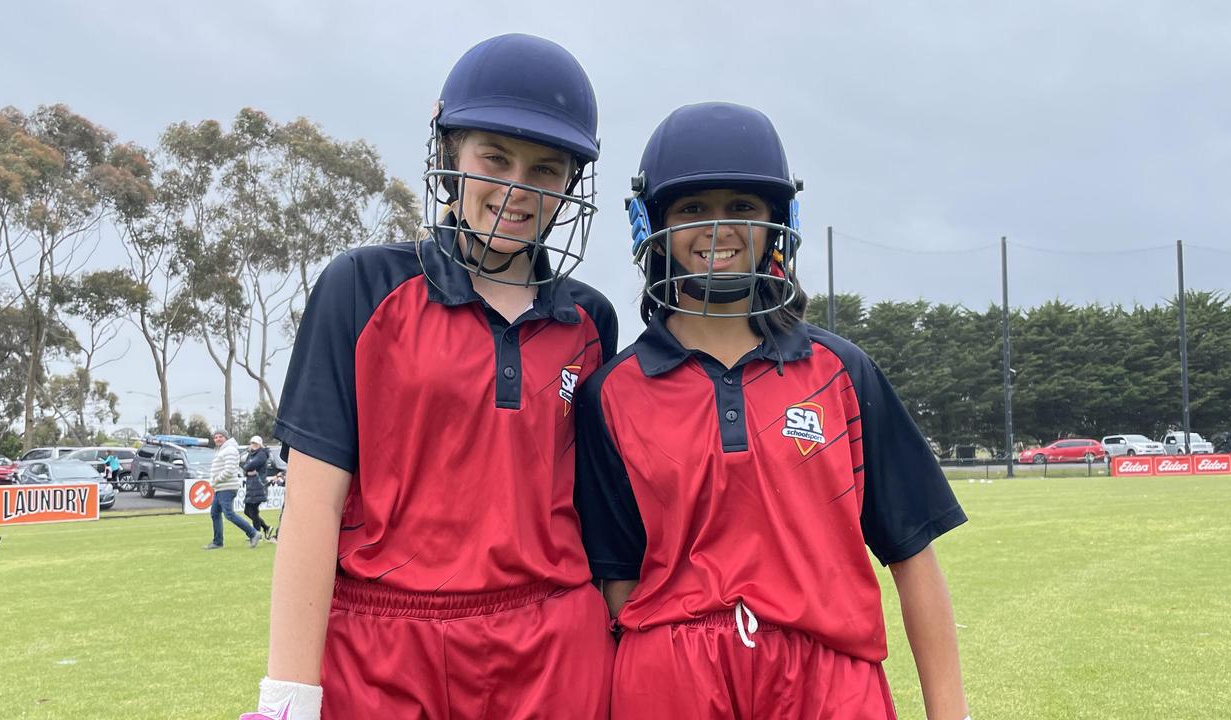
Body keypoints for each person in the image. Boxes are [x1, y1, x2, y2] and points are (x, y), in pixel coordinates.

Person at [246, 34, 617, 720]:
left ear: (571, 182)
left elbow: (601, 516)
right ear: (450, 155)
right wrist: (288, 698)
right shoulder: (360, 287)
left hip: (553, 647)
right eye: (495, 159)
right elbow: (312, 508)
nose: (516, 188)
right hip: (384, 650)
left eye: (545, 169)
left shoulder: (590, 321)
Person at [575, 102, 970, 720]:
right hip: (673, 680)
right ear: (651, 225)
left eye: (742, 209)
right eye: (692, 210)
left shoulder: (841, 372)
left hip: (829, 680)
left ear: (778, 221)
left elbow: (912, 556)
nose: (717, 230)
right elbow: (619, 586)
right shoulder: (611, 392)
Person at [205, 429, 261, 551]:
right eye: (216, 437)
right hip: (221, 487)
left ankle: (253, 533)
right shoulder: (223, 450)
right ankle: (217, 542)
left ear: (226, 438)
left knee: (229, 514)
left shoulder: (229, 450)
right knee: (215, 513)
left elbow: (229, 470)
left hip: (226, 487)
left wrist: (216, 480)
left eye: (220, 436)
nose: (218, 439)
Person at [241, 435, 273, 541]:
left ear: (260, 444)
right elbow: (245, 467)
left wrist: (247, 468)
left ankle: (256, 534)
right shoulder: (251, 454)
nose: (253, 445)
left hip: (259, 485)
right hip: (251, 486)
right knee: (247, 511)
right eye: (252, 443)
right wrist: (247, 470)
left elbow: (250, 465)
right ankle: (265, 528)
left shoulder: (262, 454)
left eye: (255, 444)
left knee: (254, 511)